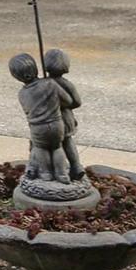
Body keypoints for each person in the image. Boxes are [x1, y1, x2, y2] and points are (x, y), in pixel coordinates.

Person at [9, 52, 70, 183]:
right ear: (36, 69)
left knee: (41, 149)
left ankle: (45, 173)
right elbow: (68, 101)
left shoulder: (22, 94)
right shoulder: (50, 83)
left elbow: (28, 111)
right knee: (57, 147)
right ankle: (62, 173)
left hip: (38, 127)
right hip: (56, 123)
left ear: (16, 77)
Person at [43, 48, 83, 182]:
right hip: (66, 118)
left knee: (56, 145)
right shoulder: (67, 84)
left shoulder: (44, 83)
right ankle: (76, 166)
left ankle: (59, 169)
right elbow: (76, 102)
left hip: (53, 118)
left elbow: (77, 102)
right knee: (67, 141)